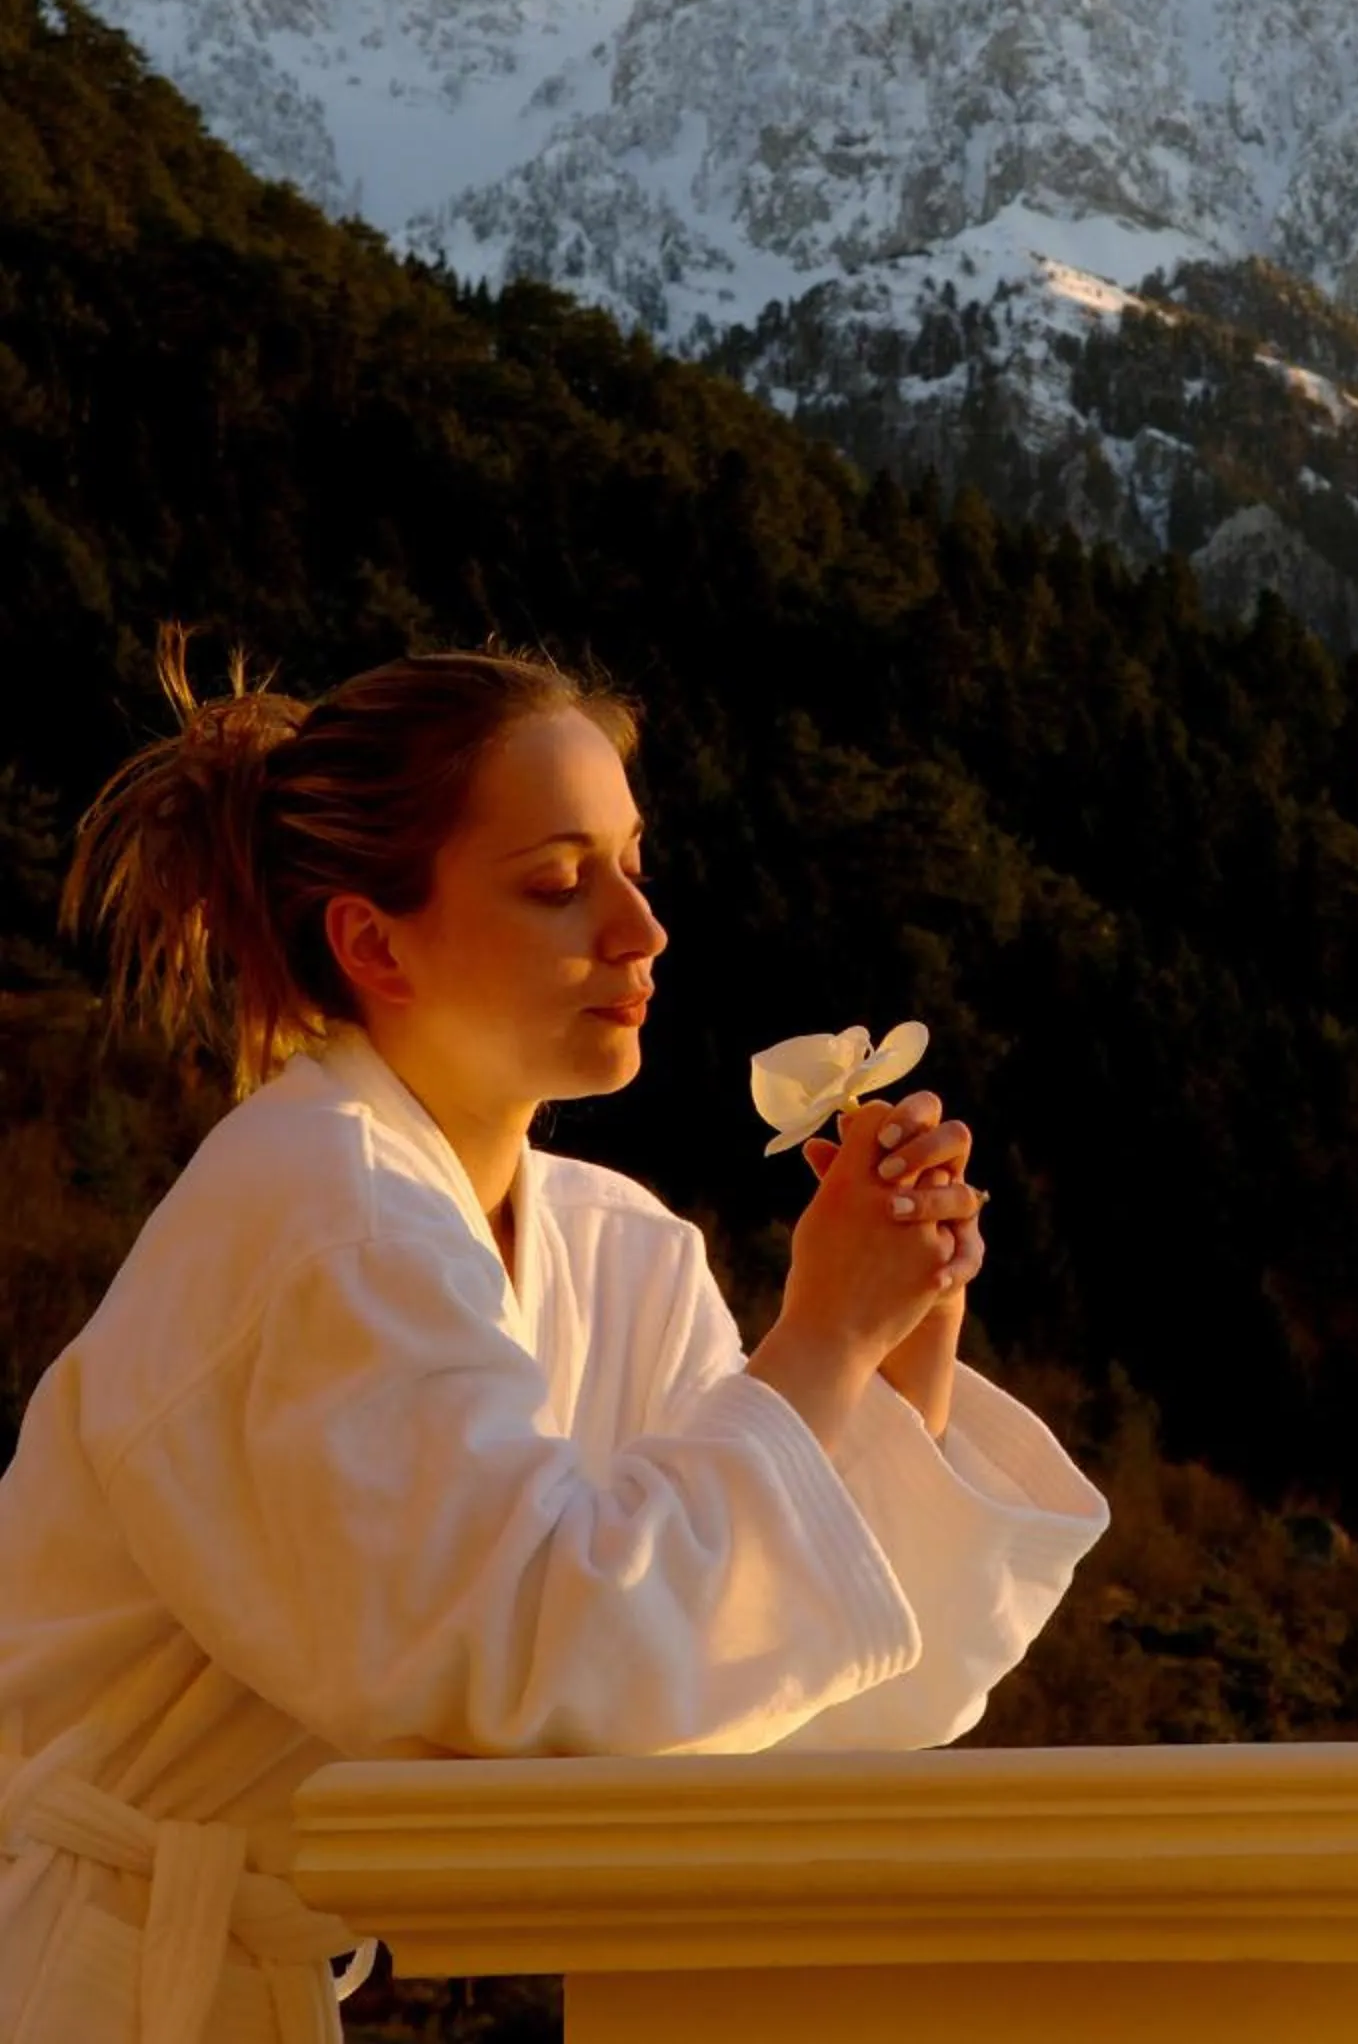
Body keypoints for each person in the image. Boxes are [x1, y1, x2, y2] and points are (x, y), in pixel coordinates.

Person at [0, 633, 1108, 2044]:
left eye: (636, 865)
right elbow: (542, 1665)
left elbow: (774, 1697)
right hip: (75, 1979)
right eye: (558, 883)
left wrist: (897, 1362)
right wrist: (817, 1343)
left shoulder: (614, 1250)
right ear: (372, 940)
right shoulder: (316, 1209)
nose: (640, 930)